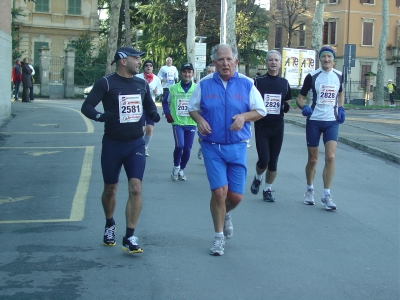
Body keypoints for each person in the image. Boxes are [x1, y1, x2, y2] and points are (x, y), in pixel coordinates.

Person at [188, 44, 266, 256]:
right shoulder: (204, 84)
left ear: (236, 62)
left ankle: (225, 214)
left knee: (235, 197)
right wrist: (200, 120)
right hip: (212, 146)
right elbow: (192, 108)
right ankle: (218, 237)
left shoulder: (247, 84)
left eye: (228, 59)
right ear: (214, 63)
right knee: (219, 192)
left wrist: (243, 117)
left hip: (238, 146)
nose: (225, 63)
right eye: (220, 60)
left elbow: (261, 110)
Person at [81, 47, 160, 254]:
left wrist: (153, 113)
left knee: (136, 188)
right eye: (136, 58)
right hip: (113, 144)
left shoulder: (141, 83)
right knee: (110, 190)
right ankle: (109, 224)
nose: (139, 62)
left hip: (135, 143)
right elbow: (87, 107)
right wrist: (100, 116)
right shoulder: (106, 83)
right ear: (123, 61)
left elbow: (149, 105)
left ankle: (130, 235)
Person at [295, 45, 345, 211]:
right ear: (320, 59)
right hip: (314, 120)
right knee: (313, 159)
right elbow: (300, 98)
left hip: (332, 121)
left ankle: (326, 194)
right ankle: (309, 189)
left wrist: (341, 107)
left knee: (330, 157)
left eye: (329, 57)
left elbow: (340, 93)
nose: (326, 60)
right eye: (324, 57)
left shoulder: (339, 75)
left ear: (333, 60)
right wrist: (304, 107)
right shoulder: (312, 76)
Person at [250, 50, 292, 202]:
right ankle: (258, 177)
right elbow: (251, 101)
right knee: (264, 160)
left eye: (276, 60)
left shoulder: (284, 83)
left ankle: (267, 190)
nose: (273, 62)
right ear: (266, 63)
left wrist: (286, 107)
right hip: (262, 125)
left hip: (278, 126)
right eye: (270, 60)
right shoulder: (258, 82)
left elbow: (287, 101)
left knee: (273, 161)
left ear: (280, 64)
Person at [162, 62, 197, 181]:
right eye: (185, 72)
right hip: (177, 122)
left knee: (187, 149)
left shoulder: (197, 89)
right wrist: (167, 114)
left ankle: (182, 169)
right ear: (181, 73)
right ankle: (176, 166)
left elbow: (203, 105)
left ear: (192, 74)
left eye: (189, 72)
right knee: (180, 145)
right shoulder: (173, 88)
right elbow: (164, 102)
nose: (187, 74)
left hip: (192, 122)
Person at [136, 59, 163, 156]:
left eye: (150, 65)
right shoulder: (138, 77)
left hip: (151, 106)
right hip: (139, 105)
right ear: (143, 67)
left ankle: (145, 147)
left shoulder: (156, 79)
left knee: (150, 129)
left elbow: (161, 90)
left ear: (152, 68)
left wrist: (157, 92)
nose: (148, 67)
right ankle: (138, 146)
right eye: (146, 65)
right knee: (141, 129)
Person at [197, 64, 216, 160]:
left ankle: (209, 154)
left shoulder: (220, 84)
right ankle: (202, 147)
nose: (211, 73)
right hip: (203, 115)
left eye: (213, 71)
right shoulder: (202, 84)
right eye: (209, 71)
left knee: (213, 136)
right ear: (206, 73)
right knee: (202, 137)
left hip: (215, 116)